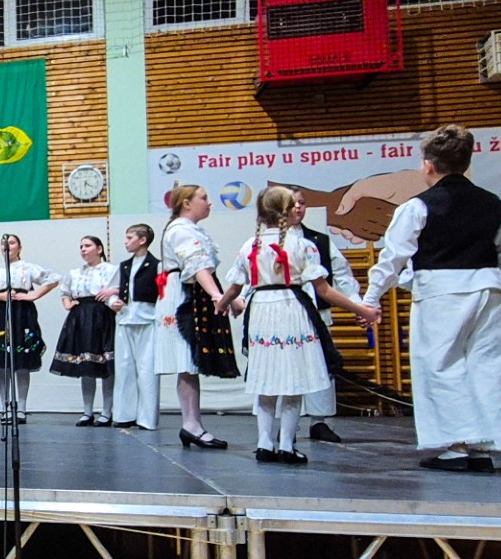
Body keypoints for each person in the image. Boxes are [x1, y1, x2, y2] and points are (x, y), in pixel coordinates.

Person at [361, 124, 501, 473]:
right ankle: (484, 445)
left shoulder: (417, 207)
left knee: (442, 365)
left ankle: (456, 447)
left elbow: (393, 258)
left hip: (441, 292)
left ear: (428, 165)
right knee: (487, 366)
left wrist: (371, 298)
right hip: (488, 290)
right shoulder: (494, 205)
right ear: (467, 163)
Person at [216, 187, 379, 466]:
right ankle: (286, 446)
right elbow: (324, 290)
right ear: (288, 211)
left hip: (261, 312)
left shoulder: (250, 246)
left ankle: (264, 442)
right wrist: (361, 309)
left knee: (265, 379)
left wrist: (221, 305)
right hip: (291, 308)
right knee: (293, 379)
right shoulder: (303, 245)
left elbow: (234, 287)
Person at [157, 184, 238, 449]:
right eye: (203, 198)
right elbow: (197, 266)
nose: (209, 202)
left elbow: (204, 268)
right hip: (183, 296)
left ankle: (192, 423)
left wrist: (226, 297)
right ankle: (191, 424)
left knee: (190, 362)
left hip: (190, 291)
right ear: (187, 203)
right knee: (187, 359)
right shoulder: (181, 230)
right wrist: (217, 296)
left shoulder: (190, 229)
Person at [292, 190, 361, 443]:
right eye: (292, 203)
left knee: (320, 367)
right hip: (285, 314)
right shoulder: (267, 241)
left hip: (317, 313)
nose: (298, 208)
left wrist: (357, 304)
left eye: (302, 203)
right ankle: (286, 423)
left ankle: (319, 421)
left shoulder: (319, 240)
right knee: (287, 367)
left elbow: (341, 274)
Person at [0, 234, 59, 422]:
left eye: (11, 243)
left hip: (22, 314)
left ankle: (21, 407)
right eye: (3, 243)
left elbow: (53, 279)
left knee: (22, 362)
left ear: (19, 247)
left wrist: (33, 295)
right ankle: (5, 406)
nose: (7, 246)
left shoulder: (27, 268)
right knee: (2, 362)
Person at [50, 235, 117, 426]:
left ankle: (107, 411)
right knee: (85, 365)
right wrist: (68, 304)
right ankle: (87, 411)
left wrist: (113, 295)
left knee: (106, 365)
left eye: (87, 246)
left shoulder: (111, 270)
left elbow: (121, 289)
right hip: (81, 317)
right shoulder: (74, 273)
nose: (83, 249)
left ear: (99, 249)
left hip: (103, 315)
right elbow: (65, 293)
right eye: (81, 246)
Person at [109, 225, 161, 431]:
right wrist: (113, 302)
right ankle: (124, 414)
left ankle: (147, 418)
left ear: (142, 240)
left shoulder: (157, 265)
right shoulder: (124, 266)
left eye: (130, 237)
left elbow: (163, 294)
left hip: (148, 320)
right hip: (125, 319)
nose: (126, 241)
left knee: (147, 369)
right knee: (124, 368)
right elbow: (114, 291)